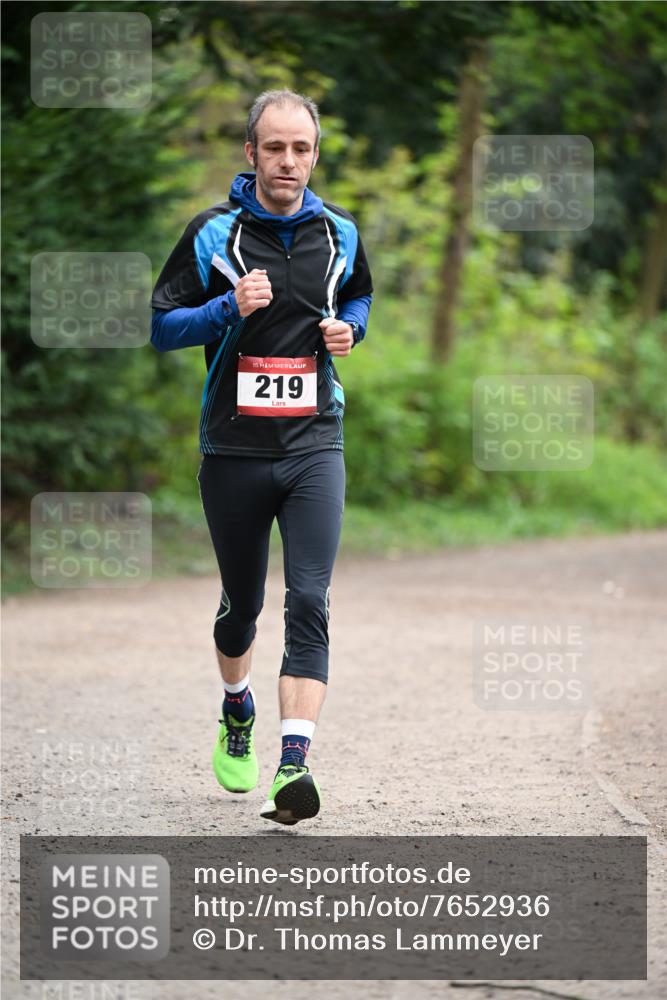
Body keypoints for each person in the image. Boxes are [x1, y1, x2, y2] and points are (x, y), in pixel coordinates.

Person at [150, 89, 373, 825]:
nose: (287, 161)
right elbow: (160, 328)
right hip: (234, 450)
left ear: (314, 154)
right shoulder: (213, 233)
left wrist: (352, 334)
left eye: (300, 148)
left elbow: (360, 299)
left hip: (315, 443)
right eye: (273, 147)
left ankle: (293, 766)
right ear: (250, 153)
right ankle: (236, 706)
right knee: (241, 609)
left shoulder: (340, 232)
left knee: (309, 599)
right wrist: (224, 310)